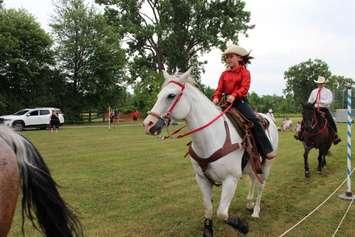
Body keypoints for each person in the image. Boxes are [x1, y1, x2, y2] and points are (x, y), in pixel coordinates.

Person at [212, 44, 276, 159]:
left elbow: (244, 88)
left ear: (240, 58)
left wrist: (234, 95)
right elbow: (219, 88)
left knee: (253, 119)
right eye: (227, 57)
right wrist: (216, 97)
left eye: (231, 56)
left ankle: (266, 149)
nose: (228, 59)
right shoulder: (224, 74)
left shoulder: (245, 72)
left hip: (239, 101)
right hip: (224, 101)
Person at [295, 76, 341, 144]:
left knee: (331, 120)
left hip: (324, 109)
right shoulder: (314, 91)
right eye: (319, 83)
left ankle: (335, 136)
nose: (320, 84)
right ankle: (300, 134)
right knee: (305, 118)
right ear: (317, 83)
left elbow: (329, 101)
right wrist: (309, 105)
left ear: (324, 84)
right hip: (314, 109)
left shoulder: (328, 92)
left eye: (322, 83)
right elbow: (310, 101)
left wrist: (320, 101)